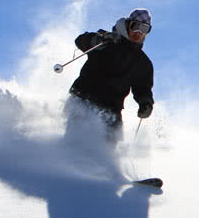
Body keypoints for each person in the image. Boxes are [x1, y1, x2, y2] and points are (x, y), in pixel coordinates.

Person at [65, 8, 155, 146]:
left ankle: (104, 164)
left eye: (144, 29)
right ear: (127, 25)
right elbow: (81, 40)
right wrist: (98, 40)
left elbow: (143, 87)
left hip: (112, 109)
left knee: (109, 144)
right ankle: (68, 155)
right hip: (84, 98)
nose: (138, 32)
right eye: (135, 26)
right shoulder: (107, 41)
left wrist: (145, 103)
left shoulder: (142, 63)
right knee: (77, 138)